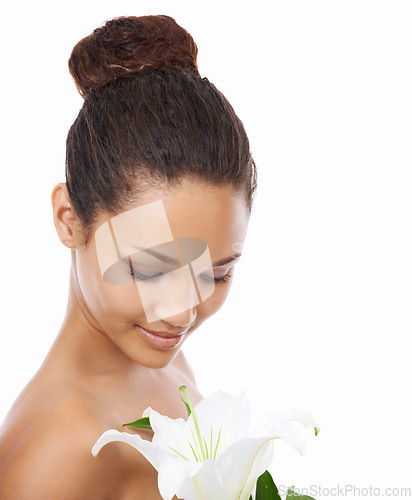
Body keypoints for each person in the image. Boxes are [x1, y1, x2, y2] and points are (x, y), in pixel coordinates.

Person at [0, 14, 257, 499]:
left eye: (216, 274)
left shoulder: (166, 365)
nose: (180, 312)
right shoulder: (58, 451)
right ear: (68, 218)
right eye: (149, 269)